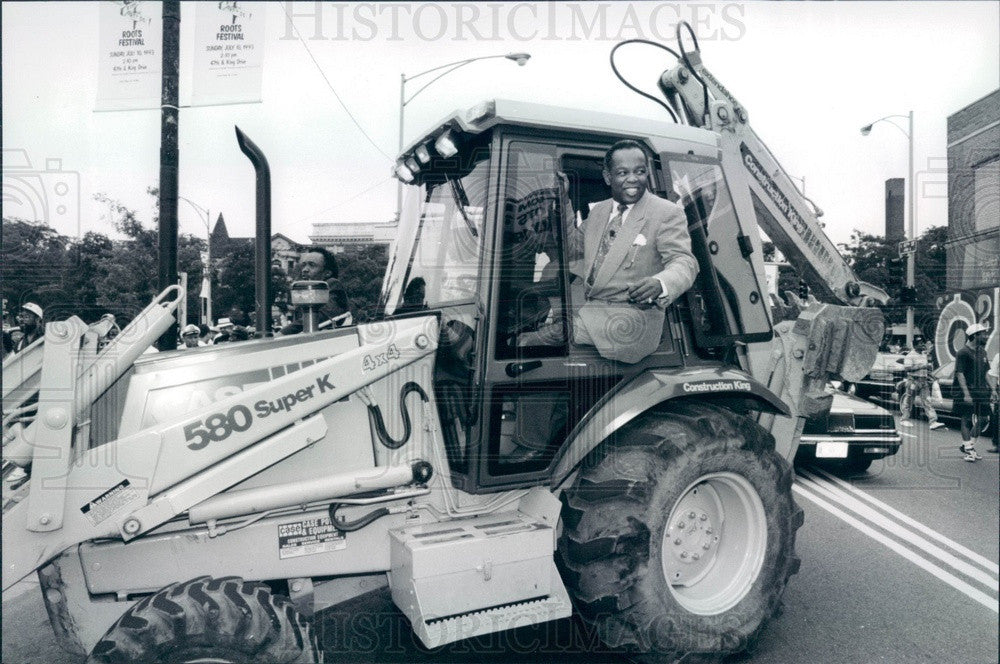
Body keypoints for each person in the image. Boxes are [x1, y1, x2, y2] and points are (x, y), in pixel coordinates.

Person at [560, 140, 699, 363]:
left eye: (639, 171)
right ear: (608, 177)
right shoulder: (598, 213)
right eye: (623, 172)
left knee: (540, 340)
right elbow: (571, 247)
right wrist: (563, 199)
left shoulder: (666, 213)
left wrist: (661, 283)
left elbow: (684, 262)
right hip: (592, 312)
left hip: (631, 323)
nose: (633, 179)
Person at [281, 247, 353, 333]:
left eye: (312, 265)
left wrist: (283, 332)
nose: (305, 270)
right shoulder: (304, 291)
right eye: (303, 265)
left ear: (327, 273)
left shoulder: (331, 284)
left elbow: (323, 315)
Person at [953, 323, 991, 461]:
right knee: (967, 418)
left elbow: (986, 372)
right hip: (967, 390)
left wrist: (992, 389)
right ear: (975, 336)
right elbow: (960, 374)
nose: (985, 336)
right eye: (983, 334)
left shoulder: (983, 352)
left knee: (984, 419)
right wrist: (966, 394)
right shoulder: (963, 352)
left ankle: (968, 445)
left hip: (981, 391)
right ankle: (969, 449)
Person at [987, 350, 999, 453]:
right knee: (997, 417)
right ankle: (997, 444)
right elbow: (994, 375)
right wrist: (994, 391)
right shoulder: (998, 356)